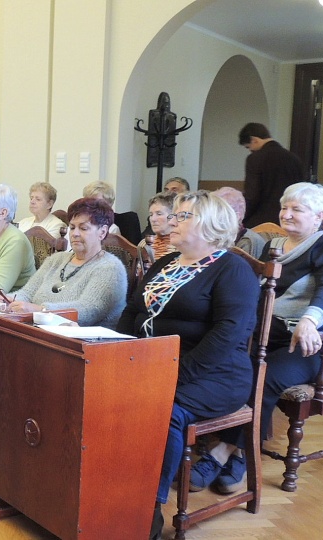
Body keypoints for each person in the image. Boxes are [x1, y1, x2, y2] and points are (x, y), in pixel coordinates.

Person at [188, 183, 323, 497]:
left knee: (264, 376)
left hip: (320, 346)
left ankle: (227, 454)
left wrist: (309, 320)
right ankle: (229, 446)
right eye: (284, 208)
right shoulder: (273, 245)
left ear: (319, 215)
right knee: (231, 366)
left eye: (297, 210)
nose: (287, 214)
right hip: (270, 337)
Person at [116, 191, 259, 539]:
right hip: (151, 363)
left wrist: (171, 373)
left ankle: (148, 507)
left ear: (210, 226)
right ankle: (111, 488)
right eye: (175, 216)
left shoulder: (232, 269)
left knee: (163, 408)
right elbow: (132, 310)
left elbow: (227, 336)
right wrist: (119, 353)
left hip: (214, 374)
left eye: (183, 217)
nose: (172, 222)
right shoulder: (166, 263)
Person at [8, 197, 127, 328]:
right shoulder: (56, 259)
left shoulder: (110, 268)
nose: (74, 233)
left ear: (102, 232)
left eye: (83, 228)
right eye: (72, 227)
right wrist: (8, 300)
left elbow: (87, 311)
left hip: (85, 341)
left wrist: (39, 310)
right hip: (41, 331)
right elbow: (27, 293)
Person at [238, 122, 305, 227]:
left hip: (261, 222)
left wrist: (241, 218)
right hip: (288, 220)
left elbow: (252, 195)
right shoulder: (293, 158)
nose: (250, 150)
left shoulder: (255, 159)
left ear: (254, 140)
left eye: (248, 147)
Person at [213, 186, 266, 258]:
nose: (212, 217)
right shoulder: (218, 237)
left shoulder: (248, 242)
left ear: (237, 216)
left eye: (219, 212)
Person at [138, 191, 177, 262]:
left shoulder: (181, 245)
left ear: (173, 216)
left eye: (159, 214)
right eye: (151, 214)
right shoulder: (144, 244)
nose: (153, 219)